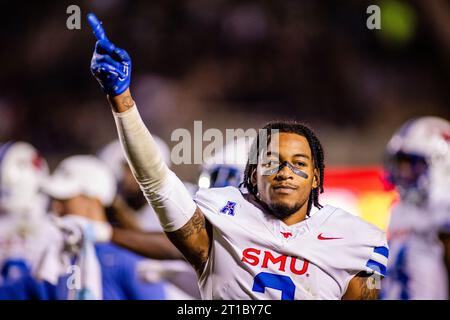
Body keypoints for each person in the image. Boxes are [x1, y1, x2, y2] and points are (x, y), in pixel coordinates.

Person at [87, 13, 388, 300]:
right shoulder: (220, 219)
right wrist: (122, 100)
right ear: (252, 175)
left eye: (298, 163)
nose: (284, 171)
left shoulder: (358, 239)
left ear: (316, 178)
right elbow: (155, 180)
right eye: (271, 162)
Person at [41, 155, 169, 299]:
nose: (56, 208)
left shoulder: (127, 257)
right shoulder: (60, 256)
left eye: (65, 200)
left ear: (93, 200)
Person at [381, 116, 450, 300]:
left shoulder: (442, 221)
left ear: (440, 164)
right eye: (400, 164)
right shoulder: (402, 212)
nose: (402, 173)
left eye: (411, 165)